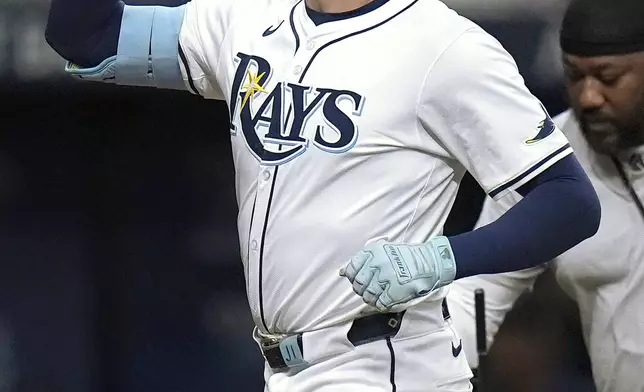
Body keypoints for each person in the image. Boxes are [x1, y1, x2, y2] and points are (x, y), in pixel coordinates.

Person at [44, 0, 601, 390]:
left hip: (386, 364)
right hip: (285, 369)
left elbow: (569, 200)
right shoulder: (248, 17)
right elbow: (88, 37)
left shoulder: (445, 48)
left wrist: (442, 258)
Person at [446, 0, 644, 390]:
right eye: (574, 76)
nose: (588, 97)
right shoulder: (549, 160)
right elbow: (478, 294)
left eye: (608, 77)